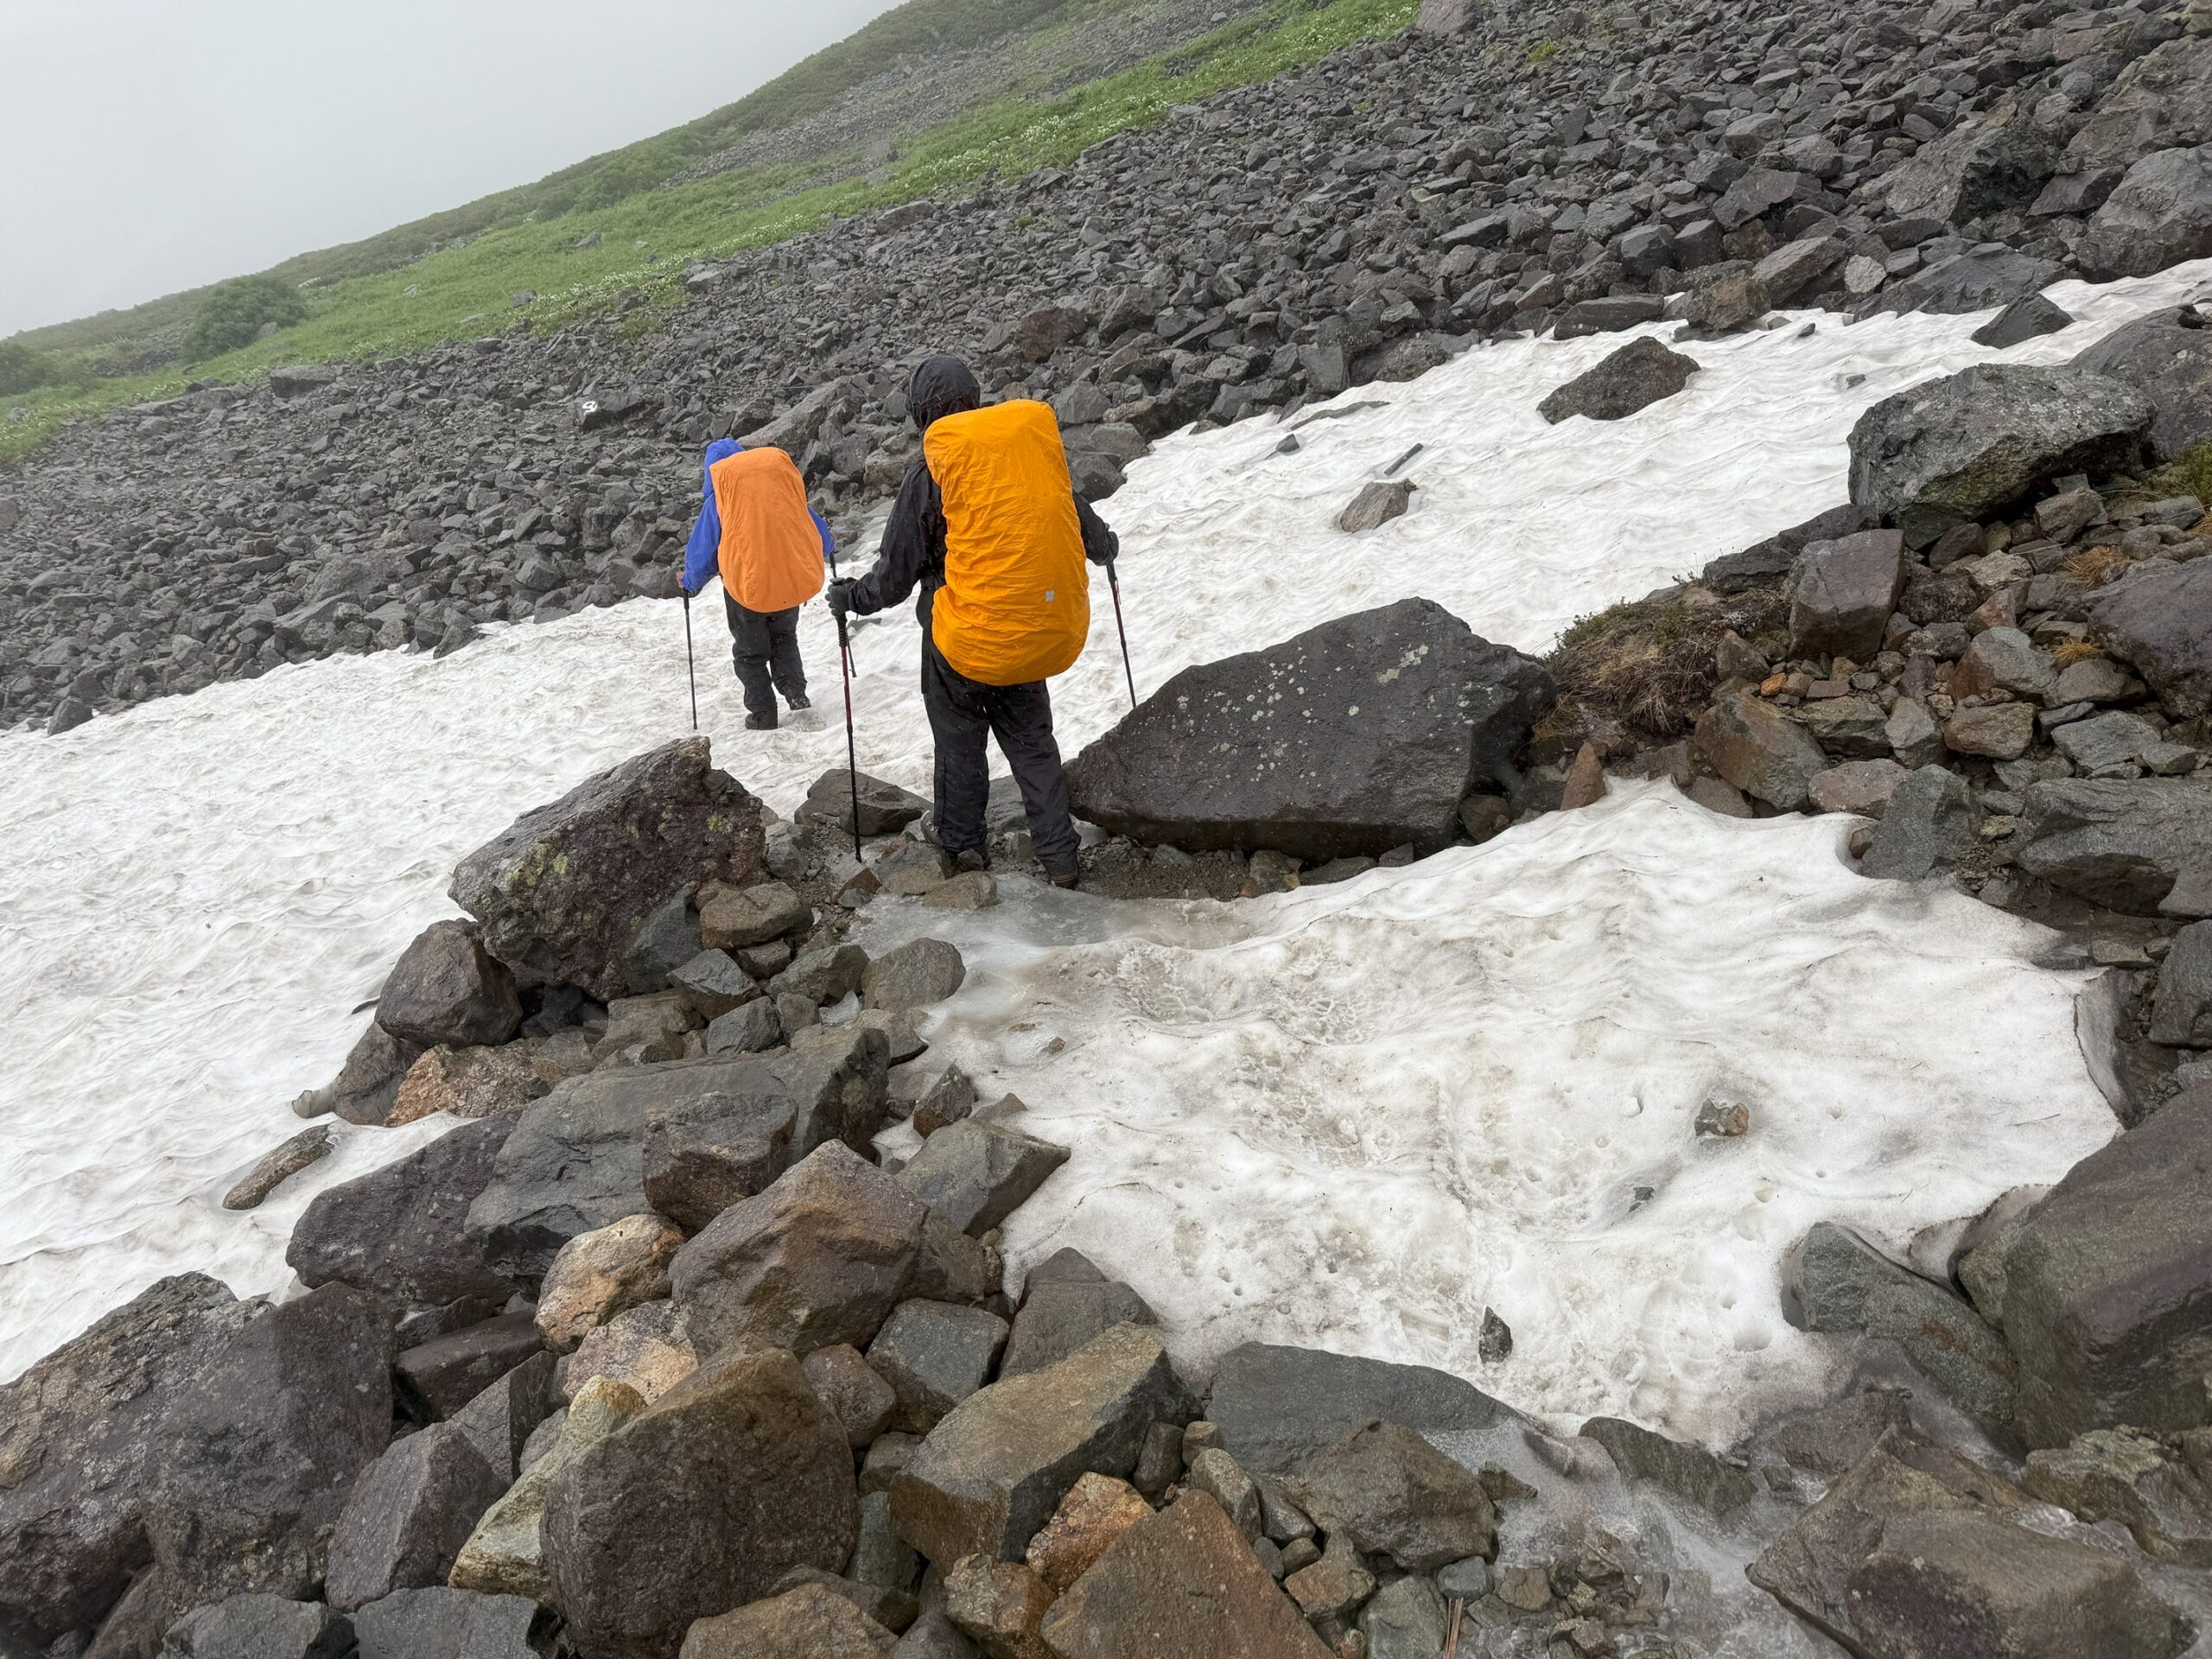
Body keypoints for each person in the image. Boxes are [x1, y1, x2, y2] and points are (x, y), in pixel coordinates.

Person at [829, 355, 1117, 888]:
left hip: (960, 642)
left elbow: (895, 573)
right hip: (1027, 627)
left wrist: (852, 598)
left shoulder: (933, 469)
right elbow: (1075, 516)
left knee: (960, 744)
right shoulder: (1020, 455)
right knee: (1033, 744)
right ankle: (1061, 858)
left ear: (922, 414)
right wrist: (1104, 548)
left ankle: (963, 848)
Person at [680, 437, 833, 730]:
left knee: (749, 654)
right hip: (786, 581)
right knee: (784, 639)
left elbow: (705, 548)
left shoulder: (722, 497)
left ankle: (763, 713)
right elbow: (805, 520)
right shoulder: (777, 489)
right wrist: (826, 545)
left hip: (746, 588)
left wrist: (690, 582)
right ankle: (796, 694)